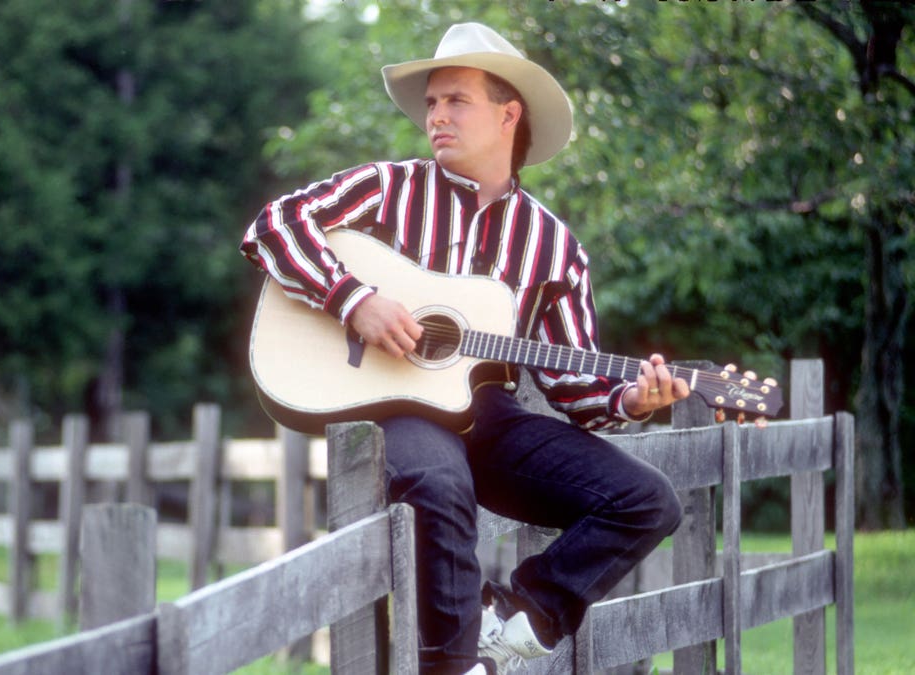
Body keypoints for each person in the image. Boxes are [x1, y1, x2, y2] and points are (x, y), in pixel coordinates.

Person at [241, 22, 686, 674]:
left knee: (649, 501)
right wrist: (352, 299)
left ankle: (521, 616)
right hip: (396, 404)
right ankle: (454, 667)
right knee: (438, 477)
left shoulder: (553, 247)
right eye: (431, 102)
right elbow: (274, 225)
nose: (437, 115)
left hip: (488, 415)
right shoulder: (390, 188)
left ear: (509, 115)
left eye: (457, 100)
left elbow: (581, 392)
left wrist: (634, 398)